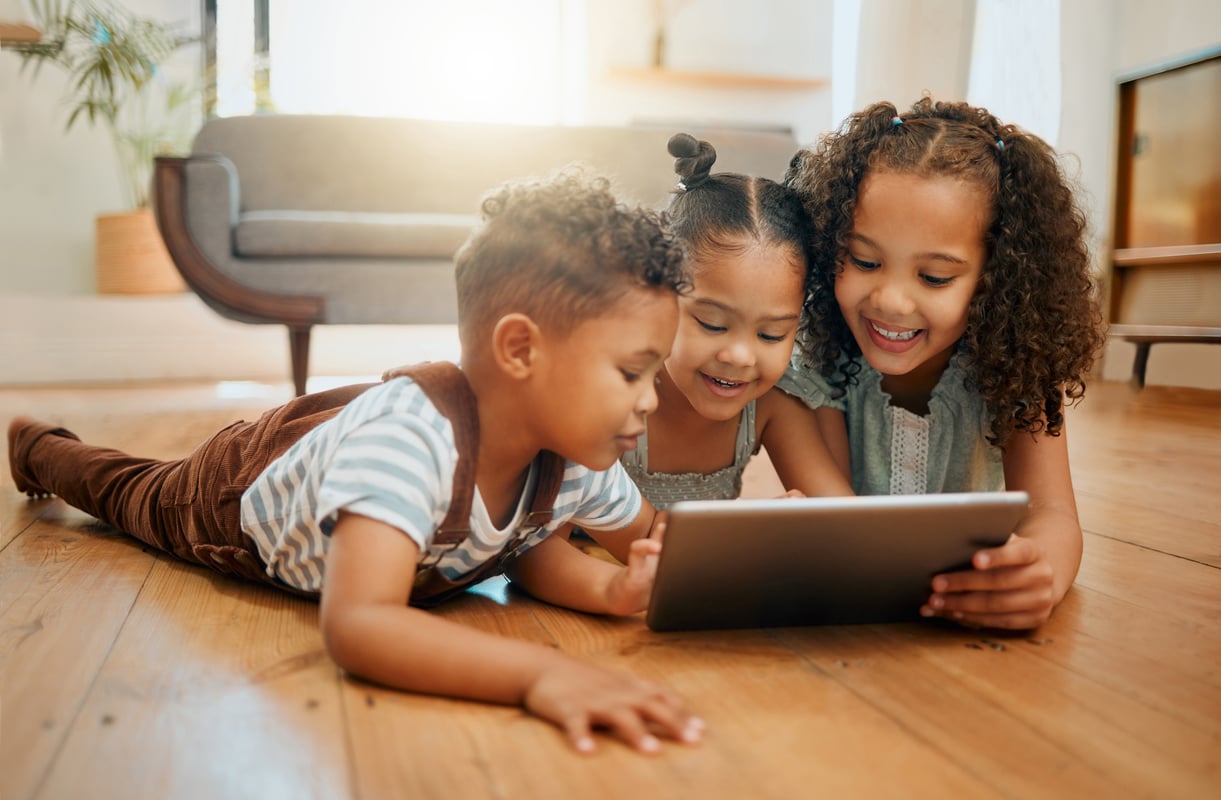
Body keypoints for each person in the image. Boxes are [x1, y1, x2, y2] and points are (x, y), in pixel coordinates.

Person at [7, 169, 705, 756]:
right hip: (235, 495)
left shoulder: (578, 451)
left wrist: (642, 584)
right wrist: (537, 674)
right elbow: (360, 624)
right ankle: (40, 449)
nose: (649, 403)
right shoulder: (408, 445)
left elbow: (624, 550)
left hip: (345, 431)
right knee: (129, 494)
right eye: (631, 373)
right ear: (520, 350)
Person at [778, 97, 1107, 631]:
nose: (890, 301)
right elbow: (838, 521)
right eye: (863, 260)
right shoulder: (816, 366)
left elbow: (1053, 515)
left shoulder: (1017, 369)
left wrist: (1040, 572)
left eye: (933, 277)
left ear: (996, 280)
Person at [604, 132, 851, 533]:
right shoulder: (614, 395)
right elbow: (536, 555)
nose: (740, 356)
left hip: (692, 586)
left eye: (771, 335)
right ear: (658, 293)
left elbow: (847, 526)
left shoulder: (772, 406)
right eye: (713, 324)